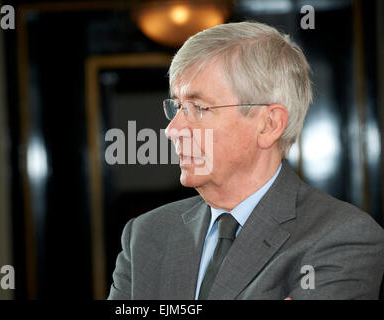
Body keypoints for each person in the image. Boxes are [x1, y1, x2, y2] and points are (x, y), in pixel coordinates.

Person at [107, 21, 384, 300]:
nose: (172, 130)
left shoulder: (341, 237)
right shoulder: (146, 234)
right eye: (178, 107)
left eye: (198, 108)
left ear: (269, 125)